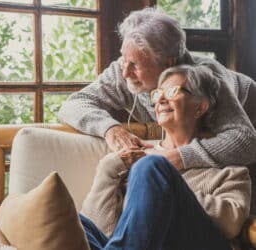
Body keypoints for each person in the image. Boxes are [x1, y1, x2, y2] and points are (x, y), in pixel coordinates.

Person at [58, 8, 256, 170]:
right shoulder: (121, 70)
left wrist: (175, 158)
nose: (125, 72)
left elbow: (247, 143)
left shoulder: (204, 78)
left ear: (167, 63)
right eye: (124, 59)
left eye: (135, 65)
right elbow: (73, 104)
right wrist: (110, 129)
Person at [79, 65, 251, 250]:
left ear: (200, 107)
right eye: (157, 93)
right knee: (68, 217)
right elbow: (99, 230)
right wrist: (110, 167)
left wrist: (165, 189)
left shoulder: (228, 169)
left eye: (171, 91)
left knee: (150, 166)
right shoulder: (131, 159)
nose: (160, 98)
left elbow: (232, 223)